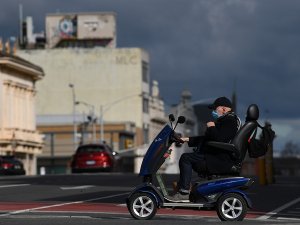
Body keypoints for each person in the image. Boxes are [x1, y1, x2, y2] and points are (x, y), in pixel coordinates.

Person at [167, 96, 240, 202]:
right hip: (216, 156)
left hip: (219, 158)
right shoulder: (225, 120)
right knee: (187, 157)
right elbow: (206, 139)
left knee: (185, 158)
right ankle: (184, 187)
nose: (214, 112)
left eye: (215, 109)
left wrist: (211, 127)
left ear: (224, 109)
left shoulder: (230, 121)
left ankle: (184, 192)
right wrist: (185, 139)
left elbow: (219, 139)